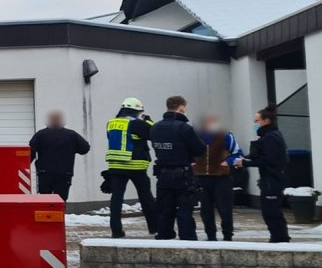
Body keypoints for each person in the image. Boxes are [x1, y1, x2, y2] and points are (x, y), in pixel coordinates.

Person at [151, 95, 206, 240]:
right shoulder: (184, 128)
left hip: (163, 174)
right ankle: (187, 240)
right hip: (183, 175)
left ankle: (164, 238)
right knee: (184, 210)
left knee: (165, 210)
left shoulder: (155, 128)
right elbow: (200, 150)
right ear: (181, 108)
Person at [104, 97, 158, 238]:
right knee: (146, 197)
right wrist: (147, 119)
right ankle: (154, 227)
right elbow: (154, 132)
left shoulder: (111, 123)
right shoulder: (136, 124)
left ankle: (116, 231)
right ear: (137, 111)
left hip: (115, 166)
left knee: (116, 198)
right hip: (135, 166)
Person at [236, 105, 291, 243]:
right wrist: (246, 159)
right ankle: (279, 237)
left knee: (271, 211)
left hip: (272, 179)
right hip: (270, 179)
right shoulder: (269, 136)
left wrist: (245, 163)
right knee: (270, 210)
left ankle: (279, 238)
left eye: (257, 120)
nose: (255, 124)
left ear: (266, 121)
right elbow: (260, 155)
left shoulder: (270, 137)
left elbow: (267, 159)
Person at [192, 114, 243, 241]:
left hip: (221, 177)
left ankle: (227, 235)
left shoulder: (225, 136)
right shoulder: (195, 136)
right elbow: (188, 152)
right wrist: (191, 161)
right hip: (201, 177)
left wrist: (228, 162)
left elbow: (237, 153)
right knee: (206, 210)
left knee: (225, 209)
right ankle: (211, 236)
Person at [29, 110, 90, 201]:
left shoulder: (41, 135)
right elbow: (85, 148)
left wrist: (24, 165)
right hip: (64, 173)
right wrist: (71, 149)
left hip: (45, 173)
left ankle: (46, 210)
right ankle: (60, 210)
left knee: (45, 200)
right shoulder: (71, 135)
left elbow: (30, 152)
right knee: (61, 201)